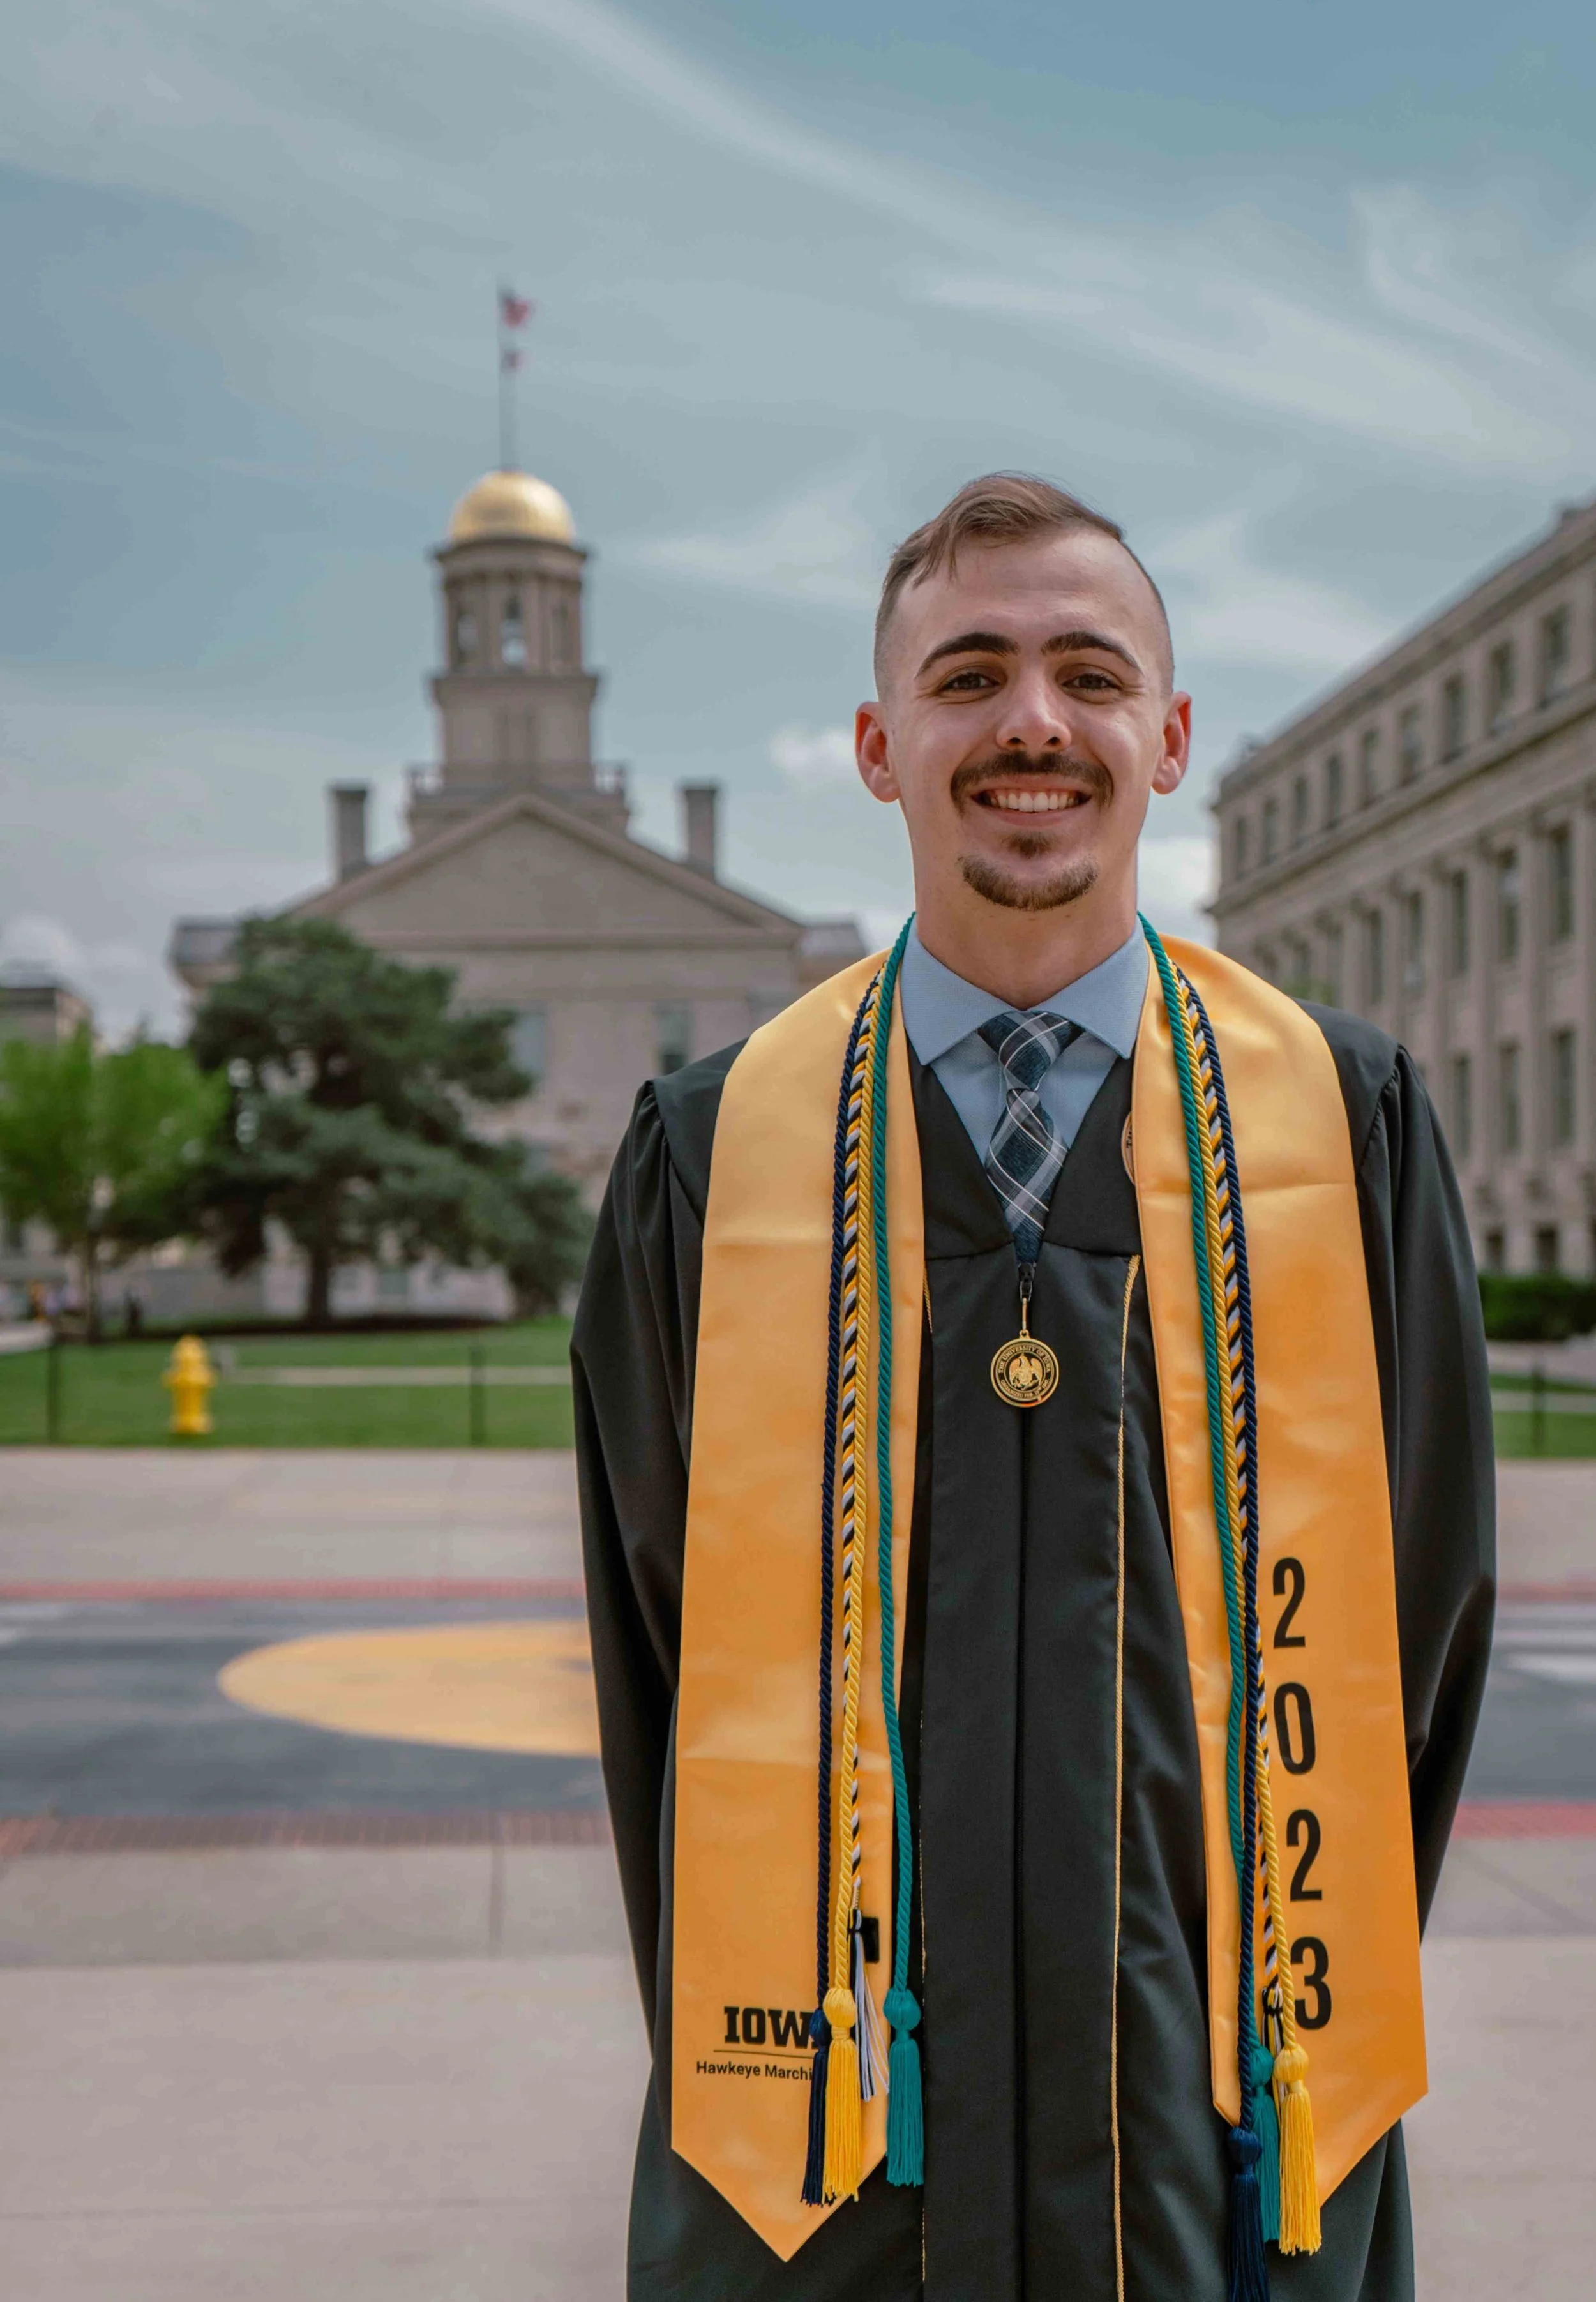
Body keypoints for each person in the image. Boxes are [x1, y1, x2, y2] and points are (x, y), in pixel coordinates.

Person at [573, 473, 1494, 2302]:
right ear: (879, 744)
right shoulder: (714, 1152)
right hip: (827, 2161)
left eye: (1089, 672)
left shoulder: (1341, 1125)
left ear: (1167, 738)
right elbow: (649, 1655)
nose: (1031, 722)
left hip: (1217, 2138)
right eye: (968, 673)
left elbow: (1422, 1628)